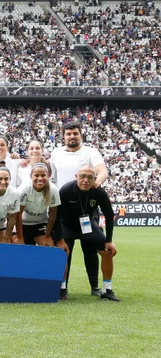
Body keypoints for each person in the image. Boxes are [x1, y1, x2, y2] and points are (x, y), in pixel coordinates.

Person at [50, 122, 109, 298]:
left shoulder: (91, 152)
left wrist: (97, 183)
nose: (72, 137)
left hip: (86, 208)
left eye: (75, 133)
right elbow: (51, 176)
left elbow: (103, 171)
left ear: (80, 135)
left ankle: (95, 287)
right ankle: (62, 288)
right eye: (68, 134)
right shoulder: (56, 153)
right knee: (64, 249)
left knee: (90, 248)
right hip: (64, 209)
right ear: (64, 136)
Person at [56, 164, 119, 301]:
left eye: (90, 177)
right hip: (67, 226)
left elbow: (109, 215)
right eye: (82, 176)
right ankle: (62, 289)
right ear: (76, 177)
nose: (86, 180)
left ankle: (106, 289)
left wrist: (109, 240)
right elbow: (57, 216)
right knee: (62, 254)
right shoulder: (66, 190)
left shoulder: (99, 192)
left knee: (108, 252)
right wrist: (60, 239)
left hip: (87, 225)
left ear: (95, 179)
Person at [18, 163, 64, 247]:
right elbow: (18, 215)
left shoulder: (53, 190)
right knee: (20, 248)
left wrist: (47, 236)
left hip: (40, 223)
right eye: (36, 175)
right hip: (23, 223)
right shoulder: (24, 188)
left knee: (48, 246)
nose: (40, 178)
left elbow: (52, 216)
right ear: (31, 176)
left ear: (48, 176)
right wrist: (20, 238)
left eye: (43, 175)